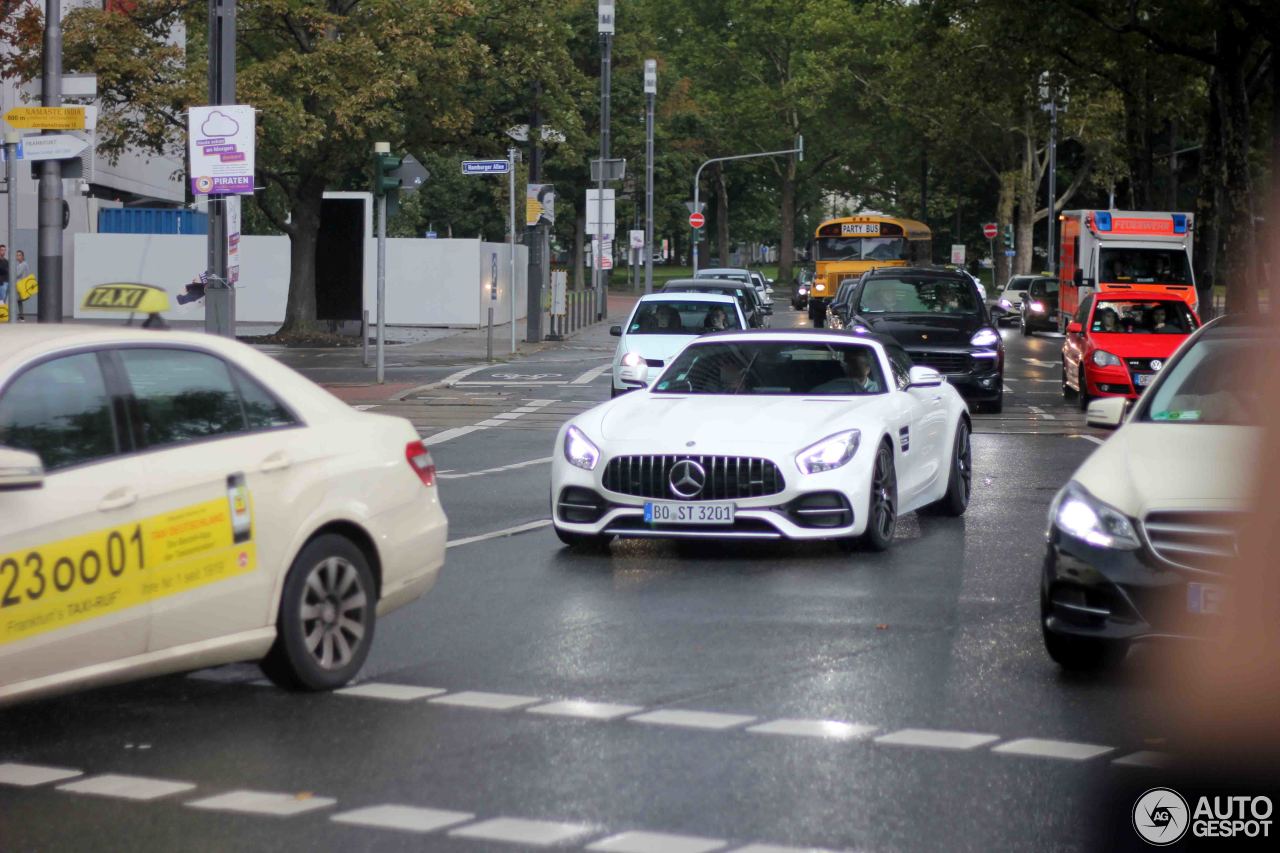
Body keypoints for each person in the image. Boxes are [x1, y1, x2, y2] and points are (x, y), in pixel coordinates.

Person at [814, 348, 882, 394]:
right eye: (852, 364)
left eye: (860, 364)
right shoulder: (828, 390)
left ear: (868, 369)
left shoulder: (879, 389)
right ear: (844, 366)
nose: (856, 368)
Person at [12, 250, 29, 320]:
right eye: (17, 255)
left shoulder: (23, 264)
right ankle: (21, 316)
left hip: (20, 285)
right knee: (19, 301)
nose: (17, 257)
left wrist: (11, 271)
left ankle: (14, 315)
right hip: (19, 285)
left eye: (19, 255)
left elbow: (17, 274)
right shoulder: (19, 264)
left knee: (15, 299)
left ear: (22, 256)